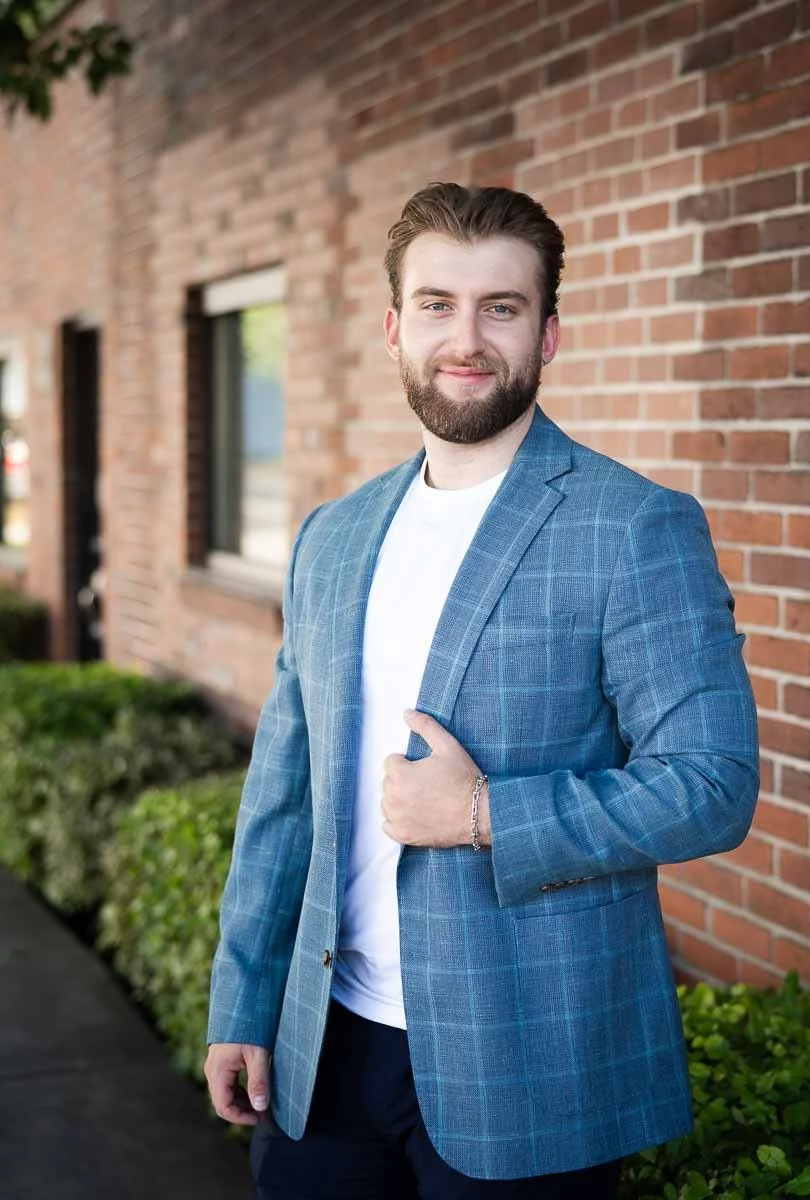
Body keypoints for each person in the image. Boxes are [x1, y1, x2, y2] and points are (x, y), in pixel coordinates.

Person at [205, 182, 759, 1199]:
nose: (467, 338)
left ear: (549, 334)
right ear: (393, 327)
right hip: (324, 1052)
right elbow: (281, 799)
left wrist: (478, 813)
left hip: (529, 1054)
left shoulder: (633, 527)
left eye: (501, 307)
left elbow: (713, 783)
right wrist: (241, 1001)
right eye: (437, 305)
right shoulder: (331, 538)